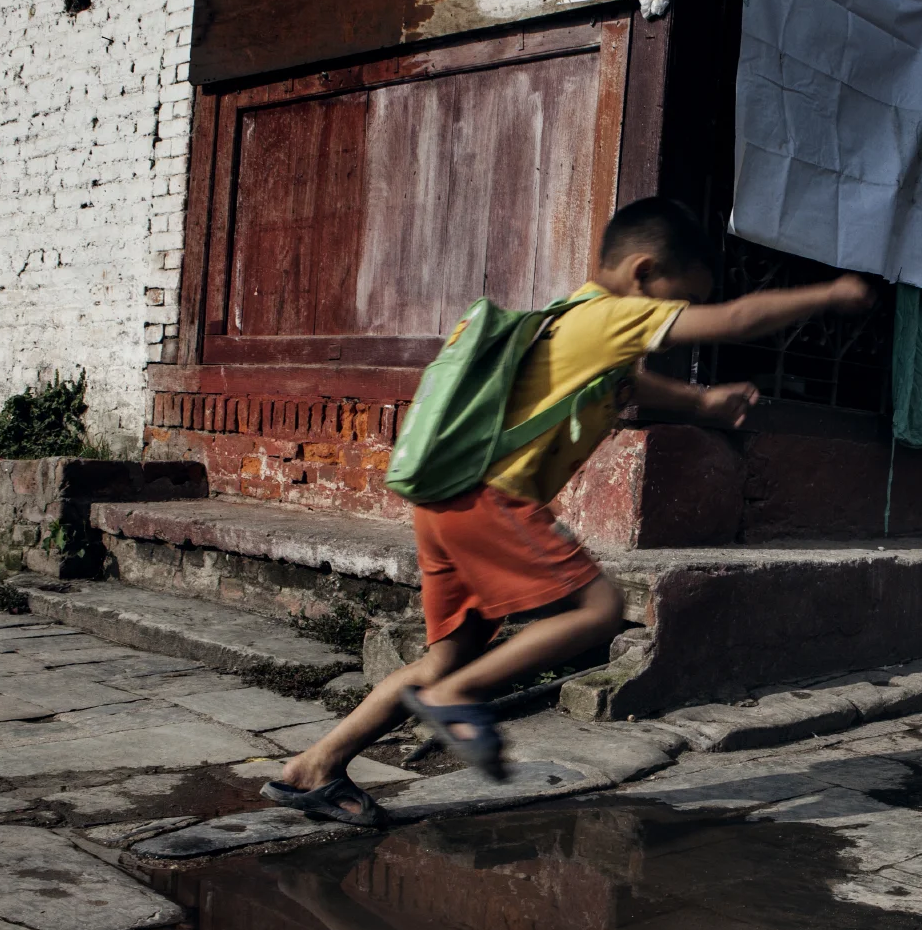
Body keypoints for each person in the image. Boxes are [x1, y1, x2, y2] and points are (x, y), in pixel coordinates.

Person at [265, 197, 877, 824]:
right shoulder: (613, 316)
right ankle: (457, 697)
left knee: (445, 653)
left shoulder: (571, 321)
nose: (677, 316)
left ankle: (314, 767)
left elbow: (630, 386)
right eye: (677, 300)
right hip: (489, 499)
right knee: (600, 609)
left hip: (446, 504)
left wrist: (704, 401)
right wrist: (829, 295)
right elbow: (739, 317)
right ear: (641, 275)